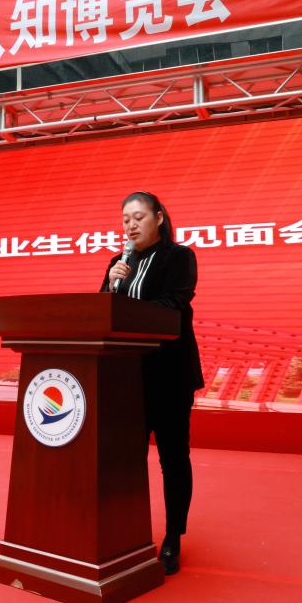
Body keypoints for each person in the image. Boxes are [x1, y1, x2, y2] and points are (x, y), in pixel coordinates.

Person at [99, 191, 203, 576]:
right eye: (125, 219)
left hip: (169, 375)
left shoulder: (180, 257)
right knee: (126, 459)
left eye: (138, 217)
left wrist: (127, 307)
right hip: (126, 378)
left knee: (172, 458)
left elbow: (173, 306)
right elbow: (100, 314)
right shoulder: (118, 263)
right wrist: (110, 287)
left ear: (159, 217)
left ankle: (173, 535)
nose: (130, 225)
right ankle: (126, 529)